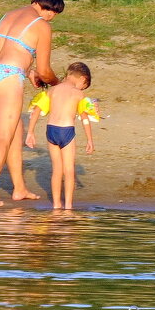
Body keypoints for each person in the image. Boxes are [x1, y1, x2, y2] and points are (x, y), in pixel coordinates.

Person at [0, 0, 64, 207]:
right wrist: (57, 84)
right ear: (51, 9)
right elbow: (45, 71)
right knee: (3, 137)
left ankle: (19, 188)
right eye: (54, 14)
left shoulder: (10, 14)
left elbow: (9, 49)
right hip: (7, 77)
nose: (52, 18)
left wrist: (29, 71)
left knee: (16, 130)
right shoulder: (42, 26)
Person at [25, 62, 96, 209]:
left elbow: (37, 110)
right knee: (69, 170)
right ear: (83, 79)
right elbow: (84, 118)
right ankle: (68, 206)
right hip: (67, 131)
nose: (83, 88)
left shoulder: (52, 90)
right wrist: (90, 140)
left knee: (57, 169)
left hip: (51, 131)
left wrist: (30, 132)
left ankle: (56, 205)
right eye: (85, 85)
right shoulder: (78, 94)